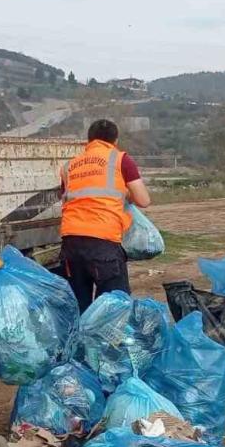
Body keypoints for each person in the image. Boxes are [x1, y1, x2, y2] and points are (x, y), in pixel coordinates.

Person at [58, 119, 152, 312]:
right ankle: (104, 343)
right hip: (103, 242)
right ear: (115, 141)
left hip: (71, 242)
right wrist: (125, 194)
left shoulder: (69, 166)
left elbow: (67, 199)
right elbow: (143, 200)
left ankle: (77, 342)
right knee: (112, 308)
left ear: (89, 140)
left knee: (78, 306)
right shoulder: (120, 159)